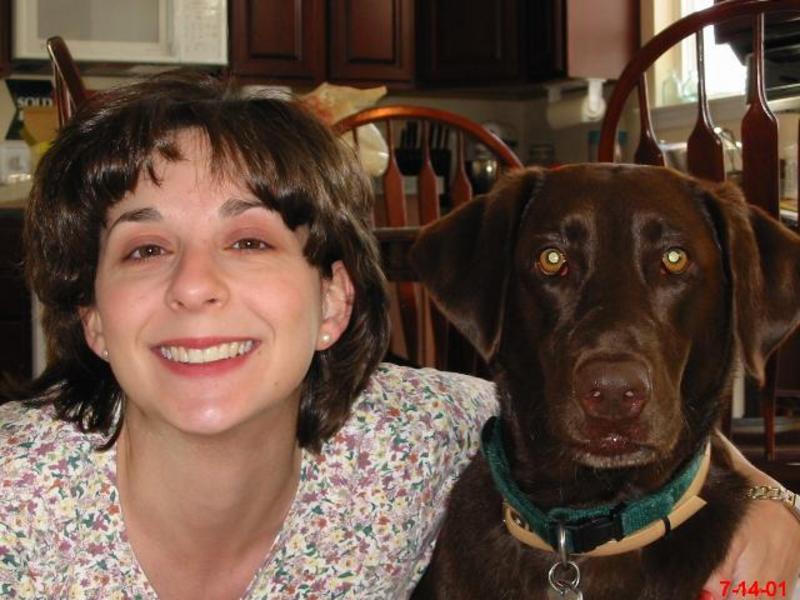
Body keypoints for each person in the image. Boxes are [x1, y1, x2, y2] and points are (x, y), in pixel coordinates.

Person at [0, 71, 796, 599]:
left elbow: (603, 411)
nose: (195, 285)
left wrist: (768, 499)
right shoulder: (16, 503)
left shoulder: (413, 440)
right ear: (91, 317)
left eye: (247, 240)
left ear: (334, 300)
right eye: (145, 249)